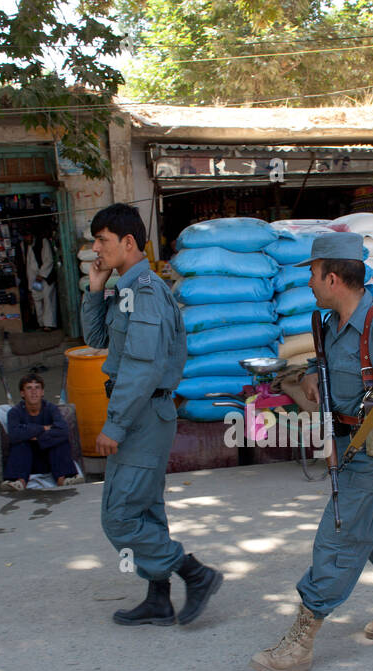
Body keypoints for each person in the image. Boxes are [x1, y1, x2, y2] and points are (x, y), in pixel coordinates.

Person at [250, 232, 373, 671]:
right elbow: (334, 366)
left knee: (340, 533)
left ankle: (301, 639)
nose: (309, 284)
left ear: (332, 277)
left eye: (312, 275)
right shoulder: (330, 321)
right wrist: (314, 374)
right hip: (349, 443)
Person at [81, 203, 222, 627]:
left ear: (128, 242)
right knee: (144, 512)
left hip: (142, 414)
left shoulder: (145, 291)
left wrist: (115, 424)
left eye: (101, 241)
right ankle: (158, 598)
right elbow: (96, 338)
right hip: (138, 410)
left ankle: (195, 574)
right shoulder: (126, 287)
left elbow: (141, 367)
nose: (95, 250)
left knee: (120, 516)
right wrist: (94, 289)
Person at [1, 373, 82, 491]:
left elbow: (63, 431)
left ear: (42, 392)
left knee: (59, 442)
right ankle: (18, 483)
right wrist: (43, 428)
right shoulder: (15, 412)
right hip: (26, 462)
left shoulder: (51, 408)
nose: (34, 392)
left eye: (37, 388)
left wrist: (35, 436)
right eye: (29, 388)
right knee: (20, 443)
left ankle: (64, 480)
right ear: (22, 393)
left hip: (51, 460)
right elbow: (14, 435)